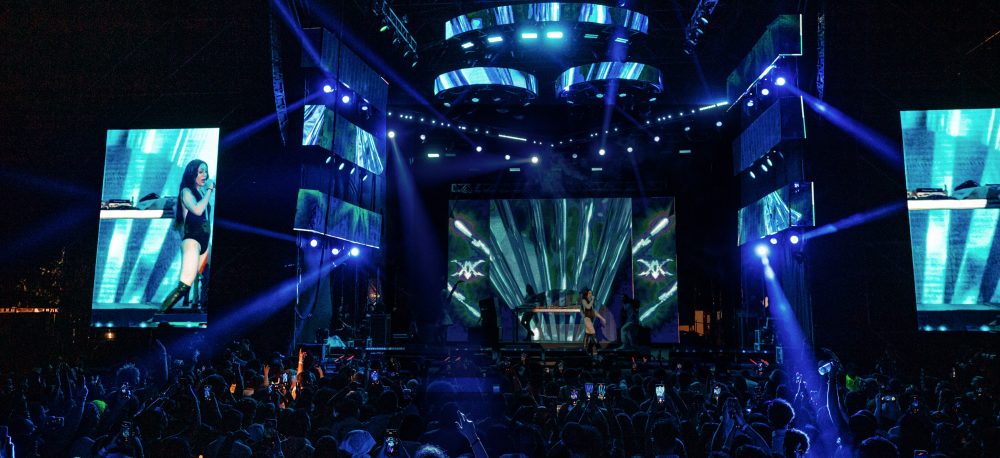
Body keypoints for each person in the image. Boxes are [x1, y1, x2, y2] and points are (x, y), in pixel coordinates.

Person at [159, 159, 214, 314]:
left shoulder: (200, 191)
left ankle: (204, 312)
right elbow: (197, 210)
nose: (205, 175)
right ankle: (160, 314)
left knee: (208, 278)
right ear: (192, 174)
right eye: (201, 172)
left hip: (204, 241)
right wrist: (209, 191)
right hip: (192, 241)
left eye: (206, 171)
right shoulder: (186, 192)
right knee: (185, 284)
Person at [579, 288, 606, 356]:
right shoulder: (584, 301)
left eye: (591, 293)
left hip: (590, 320)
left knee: (588, 335)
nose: (591, 295)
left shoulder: (589, 302)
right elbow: (588, 308)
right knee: (593, 335)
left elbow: (593, 311)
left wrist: (602, 318)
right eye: (589, 293)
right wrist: (592, 300)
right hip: (587, 320)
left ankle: (587, 351)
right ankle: (598, 349)